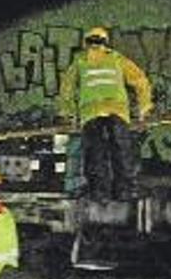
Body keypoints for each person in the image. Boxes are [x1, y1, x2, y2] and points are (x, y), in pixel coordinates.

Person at [58, 26, 153, 200]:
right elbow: (140, 80)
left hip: (91, 113)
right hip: (117, 112)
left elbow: (67, 89)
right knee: (122, 150)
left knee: (95, 153)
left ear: (86, 42)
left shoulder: (80, 61)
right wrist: (144, 107)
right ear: (105, 42)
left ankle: (99, 192)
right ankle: (125, 190)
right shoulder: (117, 59)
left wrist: (69, 112)